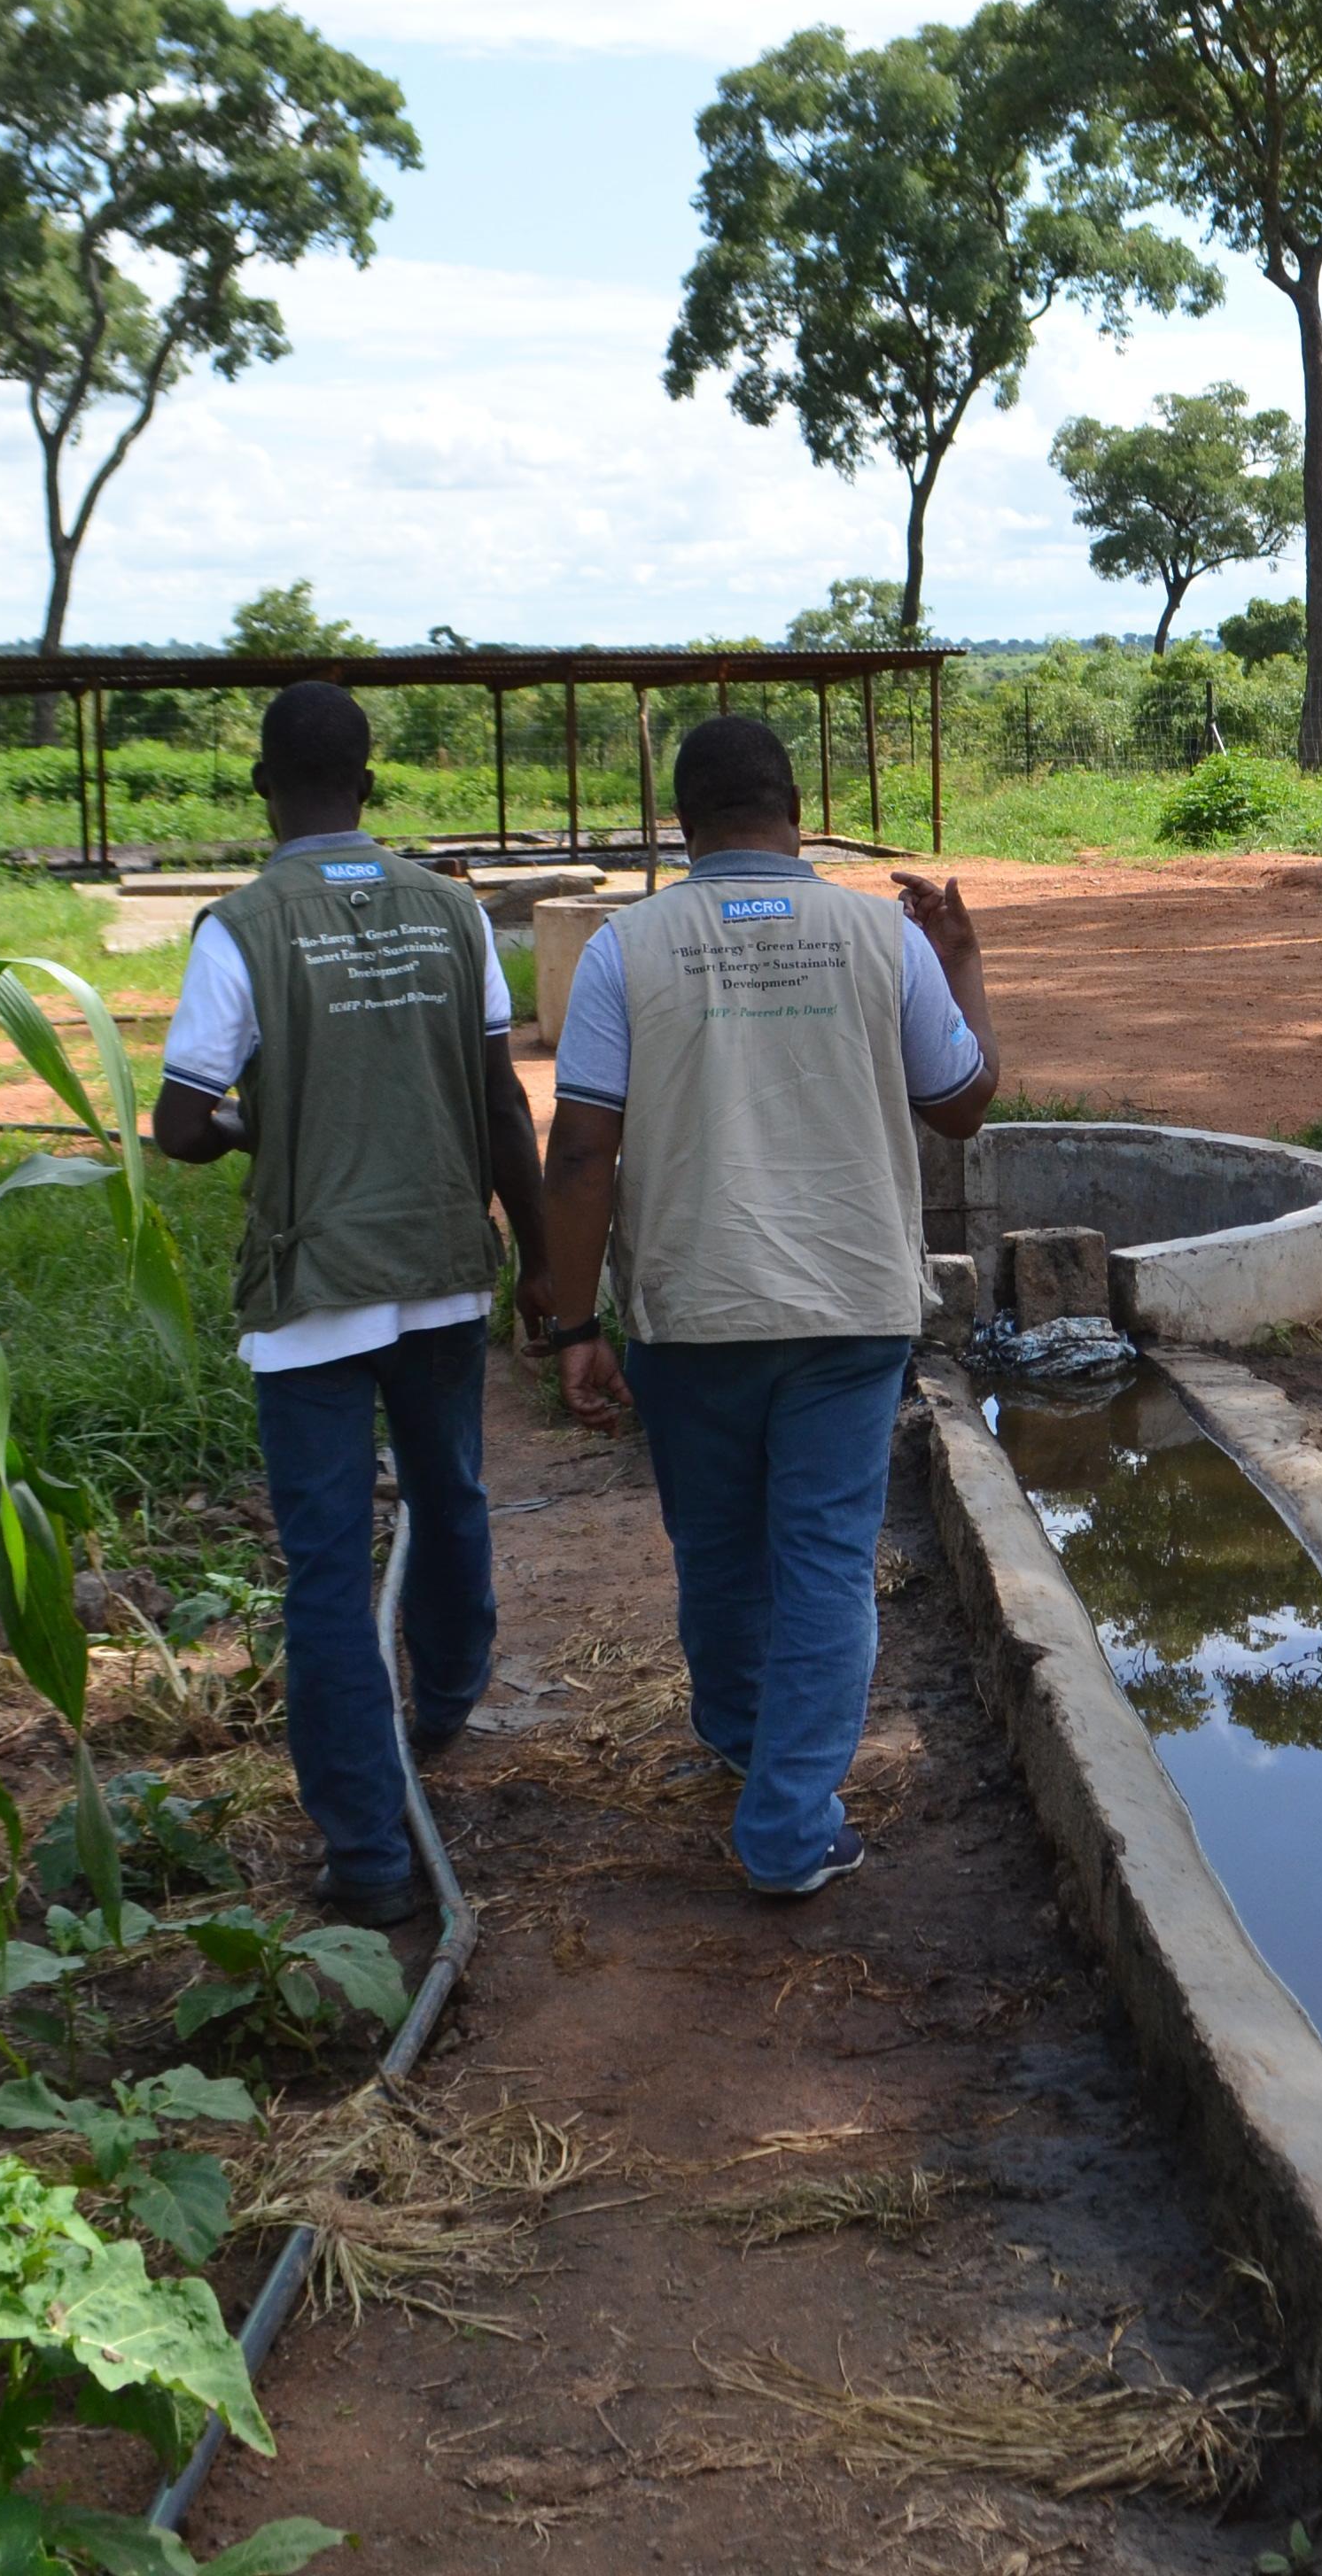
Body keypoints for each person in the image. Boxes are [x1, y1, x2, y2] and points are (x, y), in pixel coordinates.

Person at [521, 713, 999, 1898]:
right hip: (850, 1306)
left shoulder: (626, 950)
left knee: (718, 1550)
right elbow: (962, 1104)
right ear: (797, 813)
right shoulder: (885, 938)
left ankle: (743, 1740)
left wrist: (574, 1325)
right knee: (826, 1559)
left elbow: (580, 1153)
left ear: (683, 824)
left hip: (692, 1309)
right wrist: (963, 965)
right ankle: (787, 1827)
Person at [149, 684, 545, 1935]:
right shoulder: (453, 911)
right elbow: (502, 1106)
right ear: (369, 788)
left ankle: (369, 1853)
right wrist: (548, 1273)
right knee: (450, 1492)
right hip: (440, 1263)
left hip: (311, 1289)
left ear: (264, 789)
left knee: (325, 1568)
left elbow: (179, 1124)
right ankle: (446, 1702)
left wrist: (262, 1123)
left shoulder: (240, 928)